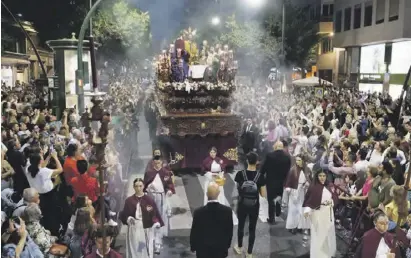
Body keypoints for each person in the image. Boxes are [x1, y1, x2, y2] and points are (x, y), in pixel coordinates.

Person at [233, 152, 266, 258]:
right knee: (252, 228)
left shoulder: (240, 174)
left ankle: (239, 247)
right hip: (254, 205)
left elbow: (238, 189)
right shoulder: (260, 176)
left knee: (241, 226)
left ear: (247, 161)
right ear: (257, 162)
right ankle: (249, 253)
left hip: (242, 203)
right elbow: (263, 194)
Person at [120, 178, 164, 258]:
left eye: (140, 186)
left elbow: (154, 214)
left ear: (143, 186)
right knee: (135, 248)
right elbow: (124, 215)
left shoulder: (149, 200)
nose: (138, 188)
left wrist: (156, 222)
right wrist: (129, 218)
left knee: (144, 248)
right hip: (134, 228)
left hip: (146, 228)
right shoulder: (129, 201)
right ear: (133, 187)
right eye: (136, 186)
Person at [190, 182, 233, 258]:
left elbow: (194, 231)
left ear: (206, 194)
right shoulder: (227, 211)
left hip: (203, 251)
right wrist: (227, 246)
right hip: (220, 250)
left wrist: (193, 247)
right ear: (218, 194)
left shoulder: (198, 212)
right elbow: (229, 231)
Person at [303, 170, 338, 258]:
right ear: (317, 176)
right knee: (318, 234)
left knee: (328, 233)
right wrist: (307, 210)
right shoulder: (313, 187)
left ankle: (327, 254)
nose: (322, 178)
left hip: (328, 213)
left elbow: (335, 197)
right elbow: (309, 200)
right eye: (320, 176)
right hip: (318, 213)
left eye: (324, 176)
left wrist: (332, 202)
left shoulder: (330, 185)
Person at [143, 157, 175, 254]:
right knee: (150, 217)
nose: (157, 165)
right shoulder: (149, 173)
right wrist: (146, 190)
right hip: (151, 197)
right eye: (155, 163)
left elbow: (169, 184)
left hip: (161, 197)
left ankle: (157, 242)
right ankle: (149, 239)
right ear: (153, 163)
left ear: (161, 163)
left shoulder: (165, 173)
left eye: (159, 163)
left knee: (159, 218)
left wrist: (169, 190)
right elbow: (144, 184)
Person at [260, 140, 291, 224]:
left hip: (271, 181)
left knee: (271, 199)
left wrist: (261, 175)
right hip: (282, 181)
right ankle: (278, 211)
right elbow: (288, 170)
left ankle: (271, 218)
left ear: (275, 147)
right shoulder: (287, 157)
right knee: (278, 196)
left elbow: (263, 168)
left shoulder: (269, 156)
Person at [284, 155, 310, 234]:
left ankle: (300, 226)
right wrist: (289, 189)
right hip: (294, 191)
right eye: (296, 160)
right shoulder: (293, 170)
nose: (297, 162)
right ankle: (292, 226)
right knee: (293, 210)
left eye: (299, 160)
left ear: (303, 160)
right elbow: (288, 181)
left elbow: (310, 179)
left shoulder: (307, 170)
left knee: (301, 209)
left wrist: (307, 183)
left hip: (303, 191)